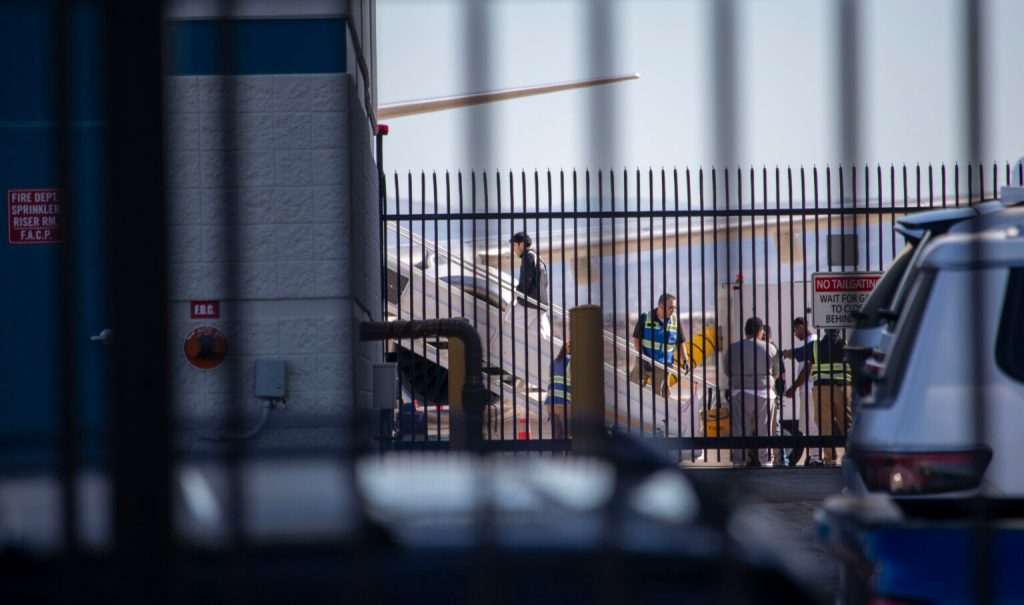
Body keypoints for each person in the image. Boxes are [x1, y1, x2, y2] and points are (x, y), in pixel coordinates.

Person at [784, 324, 852, 467]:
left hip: (822, 389)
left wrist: (784, 353)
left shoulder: (815, 346)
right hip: (842, 389)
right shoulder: (846, 345)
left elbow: (797, 353)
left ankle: (830, 460)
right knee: (847, 423)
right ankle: (852, 457)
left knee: (825, 425)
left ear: (825, 331)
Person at [723, 316, 780, 467]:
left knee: (740, 429)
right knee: (764, 429)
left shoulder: (733, 348)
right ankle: (766, 460)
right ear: (761, 331)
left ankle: (739, 460)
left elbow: (727, 371)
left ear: (745, 331)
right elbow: (776, 373)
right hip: (764, 393)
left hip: (740, 392)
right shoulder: (770, 348)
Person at [630, 294, 690, 398]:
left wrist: (685, 361)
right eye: (670, 307)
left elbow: (681, 343)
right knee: (633, 388)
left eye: (674, 308)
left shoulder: (675, 321)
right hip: (643, 361)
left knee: (660, 396)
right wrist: (643, 358)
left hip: (663, 365)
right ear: (661, 306)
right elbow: (636, 340)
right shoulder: (645, 317)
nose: (673, 310)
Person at [510, 232, 551, 340]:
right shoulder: (539, 258)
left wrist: (517, 294)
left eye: (514, 245)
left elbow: (525, 280)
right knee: (541, 336)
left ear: (521, 244)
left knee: (510, 321)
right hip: (542, 302)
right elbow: (545, 282)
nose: (513, 250)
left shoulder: (528, 257)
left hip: (531, 302)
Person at [544, 341, 571, 439]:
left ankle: (556, 454)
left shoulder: (553, 362)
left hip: (550, 404)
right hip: (564, 404)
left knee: (557, 437)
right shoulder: (572, 361)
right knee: (569, 436)